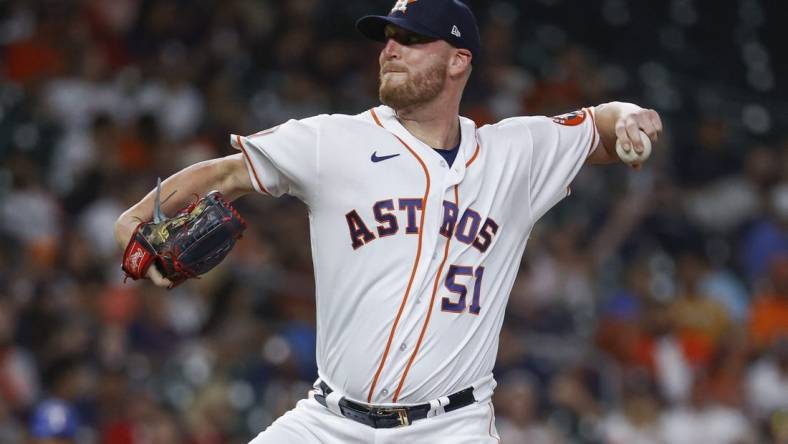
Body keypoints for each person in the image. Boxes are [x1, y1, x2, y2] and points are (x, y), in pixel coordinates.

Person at [114, 0, 662, 442]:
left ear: (458, 60)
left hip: (452, 427)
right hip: (329, 423)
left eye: (412, 39)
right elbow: (226, 174)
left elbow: (598, 125)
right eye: (388, 38)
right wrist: (134, 220)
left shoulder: (513, 153)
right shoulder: (335, 141)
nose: (391, 50)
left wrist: (631, 119)